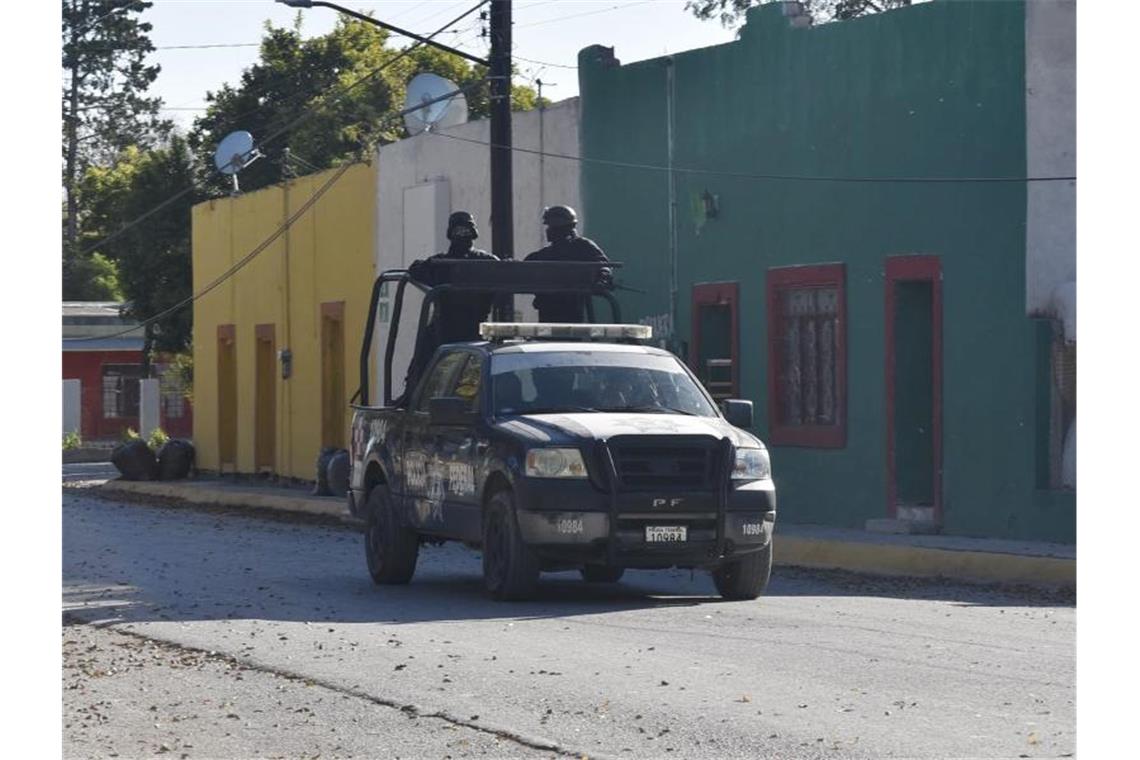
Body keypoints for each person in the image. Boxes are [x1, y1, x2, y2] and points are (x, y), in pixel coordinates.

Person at [400, 211, 498, 403]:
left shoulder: (483, 262)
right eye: (459, 231)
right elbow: (416, 269)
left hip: (469, 330)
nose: (462, 236)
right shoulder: (442, 263)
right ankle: (412, 397)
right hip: (449, 328)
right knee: (422, 363)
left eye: (465, 231)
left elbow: (417, 269)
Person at [524, 205, 611, 323]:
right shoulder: (546, 254)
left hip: (572, 305)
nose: (548, 231)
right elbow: (525, 266)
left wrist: (602, 279)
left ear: (564, 228)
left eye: (552, 227)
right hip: (548, 307)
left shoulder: (584, 247)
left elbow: (602, 265)